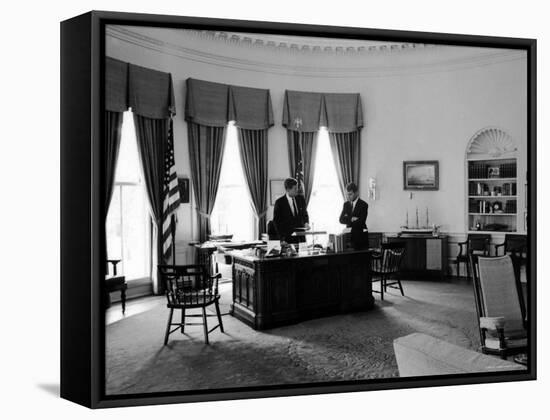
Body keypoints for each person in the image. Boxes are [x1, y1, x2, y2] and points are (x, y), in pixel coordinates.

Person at [273, 178, 310, 243]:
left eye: (297, 187)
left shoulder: (301, 199)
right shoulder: (279, 203)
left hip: (301, 238)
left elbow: (305, 214)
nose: (297, 190)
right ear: (288, 189)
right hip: (288, 239)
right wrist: (282, 238)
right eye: (295, 188)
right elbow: (277, 222)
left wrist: (306, 223)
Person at [339, 182, 368, 249]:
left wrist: (347, 219)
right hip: (349, 238)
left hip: (361, 238)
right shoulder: (346, 204)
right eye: (347, 194)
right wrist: (351, 218)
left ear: (356, 193)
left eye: (350, 194)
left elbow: (361, 221)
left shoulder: (364, 205)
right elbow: (341, 220)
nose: (348, 196)